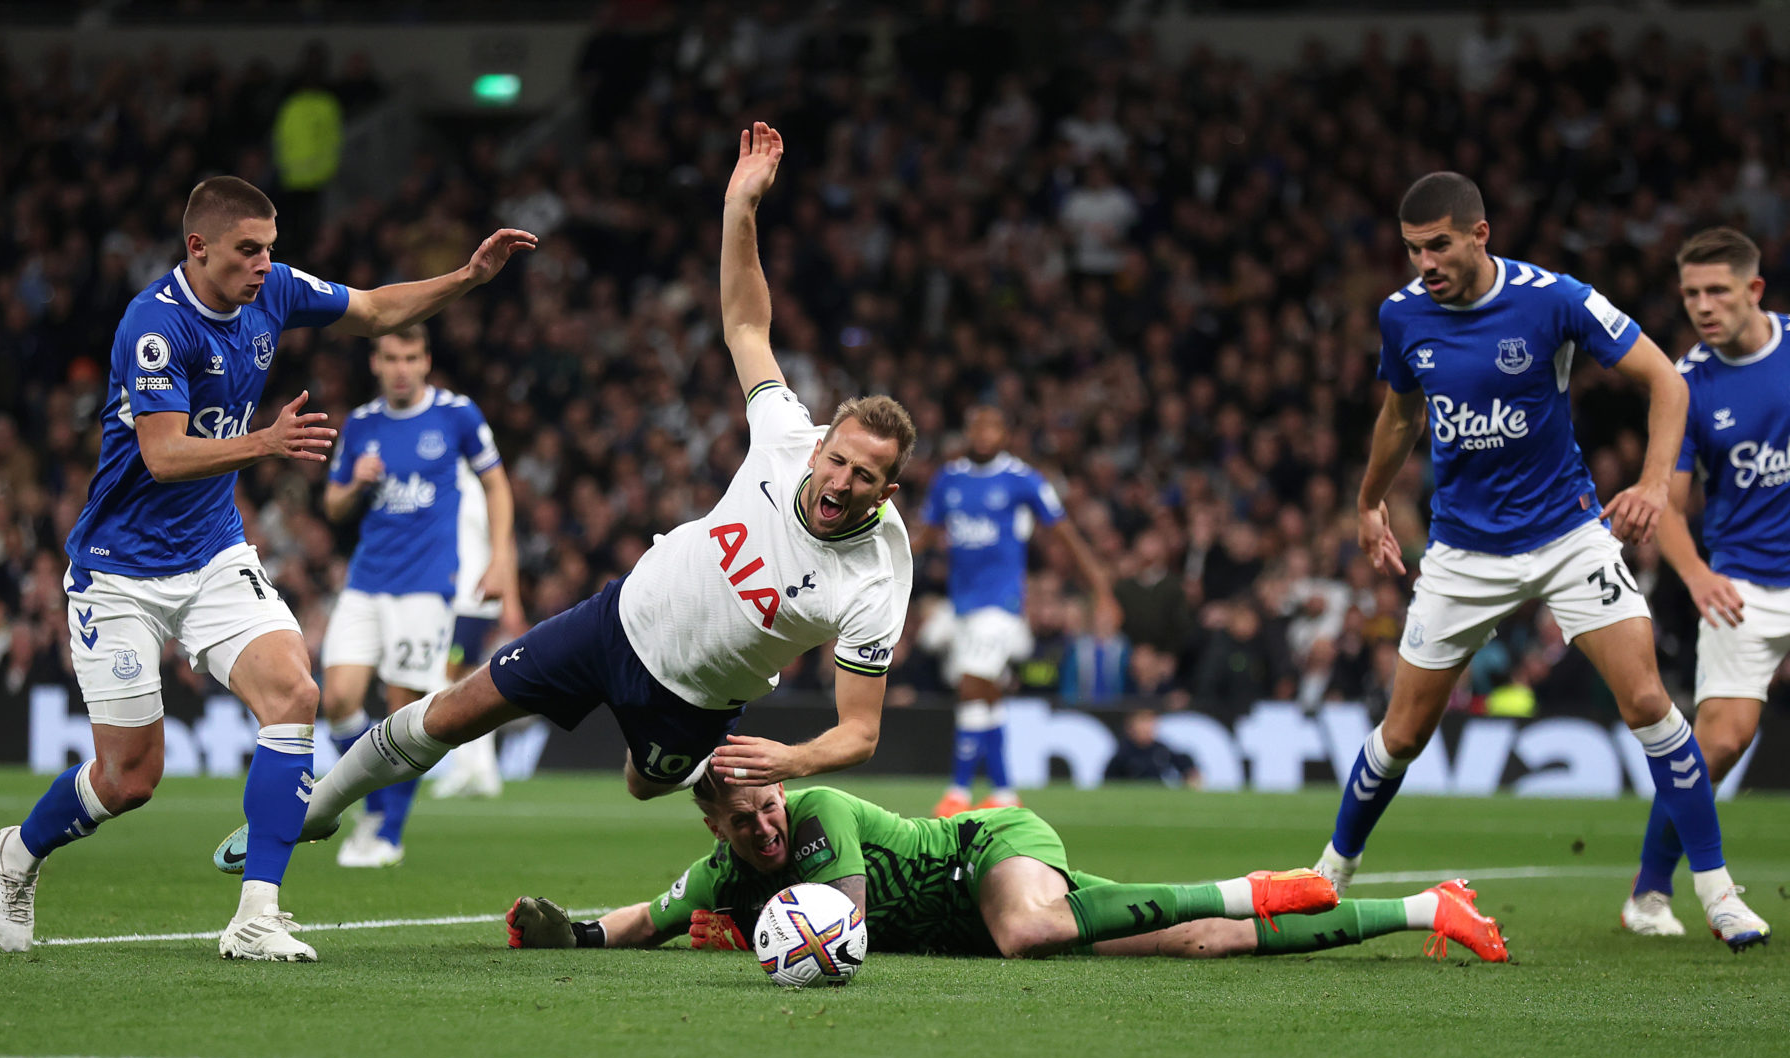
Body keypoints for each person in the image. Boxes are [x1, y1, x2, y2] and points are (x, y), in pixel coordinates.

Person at [212, 121, 915, 860]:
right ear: (823, 441)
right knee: (453, 710)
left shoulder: (875, 575)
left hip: (694, 700)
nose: (837, 479)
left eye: (861, 476)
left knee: (645, 787)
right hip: (618, 617)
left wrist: (793, 759)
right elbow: (745, 323)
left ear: (885, 490)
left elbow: (860, 732)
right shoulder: (785, 436)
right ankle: (317, 807)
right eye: (835, 458)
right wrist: (739, 208)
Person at [0, 174, 536, 961]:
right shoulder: (153, 325)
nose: (264, 265)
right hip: (118, 571)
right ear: (198, 248)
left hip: (212, 554)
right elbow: (163, 452)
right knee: (130, 775)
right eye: (248, 250)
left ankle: (256, 914)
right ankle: (19, 851)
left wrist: (468, 278)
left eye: (270, 249)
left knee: (296, 692)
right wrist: (265, 444)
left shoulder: (272, 291)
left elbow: (377, 308)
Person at [1309, 172, 1769, 952]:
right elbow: (1399, 413)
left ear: (1480, 234)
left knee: (1649, 701)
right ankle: (1327, 875)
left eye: (1440, 245)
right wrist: (1367, 501)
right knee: (1404, 732)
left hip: (1567, 536)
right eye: (1414, 248)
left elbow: (1665, 379)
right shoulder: (1402, 316)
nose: (1426, 262)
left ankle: (1717, 891)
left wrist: (1656, 484)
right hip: (1462, 552)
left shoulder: (1554, 298)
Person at [505, 776, 1508, 964]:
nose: (767, 827)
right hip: (971, 928)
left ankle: (1254, 883)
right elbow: (637, 919)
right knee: (1205, 947)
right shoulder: (725, 870)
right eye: (746, 821)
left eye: (767, 807)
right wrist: (564, 929)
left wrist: (763, 939)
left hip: (988, 855)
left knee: (1035, 931)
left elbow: (841, 925)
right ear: (718, 828)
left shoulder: (816, 813)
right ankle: (1427, 905)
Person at [1627, 228, 1787, 941]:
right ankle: (1649, 892)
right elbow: (1667, 501)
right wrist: (1695, 575)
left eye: (1717, 290)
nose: (1702, 305)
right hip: (1740, 583)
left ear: (1755, 290)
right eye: (1690, 293)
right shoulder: (1686, 383)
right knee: (1718, 742)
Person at [314, 324, 517, 868]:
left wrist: (499, 556)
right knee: (337, 700)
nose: (401, 368)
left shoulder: (457, 414)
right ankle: (377, 803)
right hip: (365, 581)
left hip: (427, 588)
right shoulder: (361, 424)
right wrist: (354, 481)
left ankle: (388, 834)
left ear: (426, 361)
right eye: (390, 358)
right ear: (376, 363)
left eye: (410, 357)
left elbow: (497, 483)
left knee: (404, 713)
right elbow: (332, 506)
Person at [915, 405, 1113, 817]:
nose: (984, 434)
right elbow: (923, 537)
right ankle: (1005, 792)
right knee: (986, 695)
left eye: (992, 427)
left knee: (972, 685)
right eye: (976, 426)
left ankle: (957, 792)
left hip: (1001, 604)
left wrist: (1101, 588)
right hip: (962, 605)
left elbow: (1065, 534)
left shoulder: (1023, 480)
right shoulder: (948, 480)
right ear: (967, 431)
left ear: (1005, 433)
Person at [428, 429, 530, 801]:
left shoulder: (478, 490)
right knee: (463, 681)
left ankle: (471, 770)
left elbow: (506, 545)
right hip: (446, 599)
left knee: (451, 678)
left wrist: (512, 602)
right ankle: (479, 770)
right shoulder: (437, 489)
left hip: (474, 600)